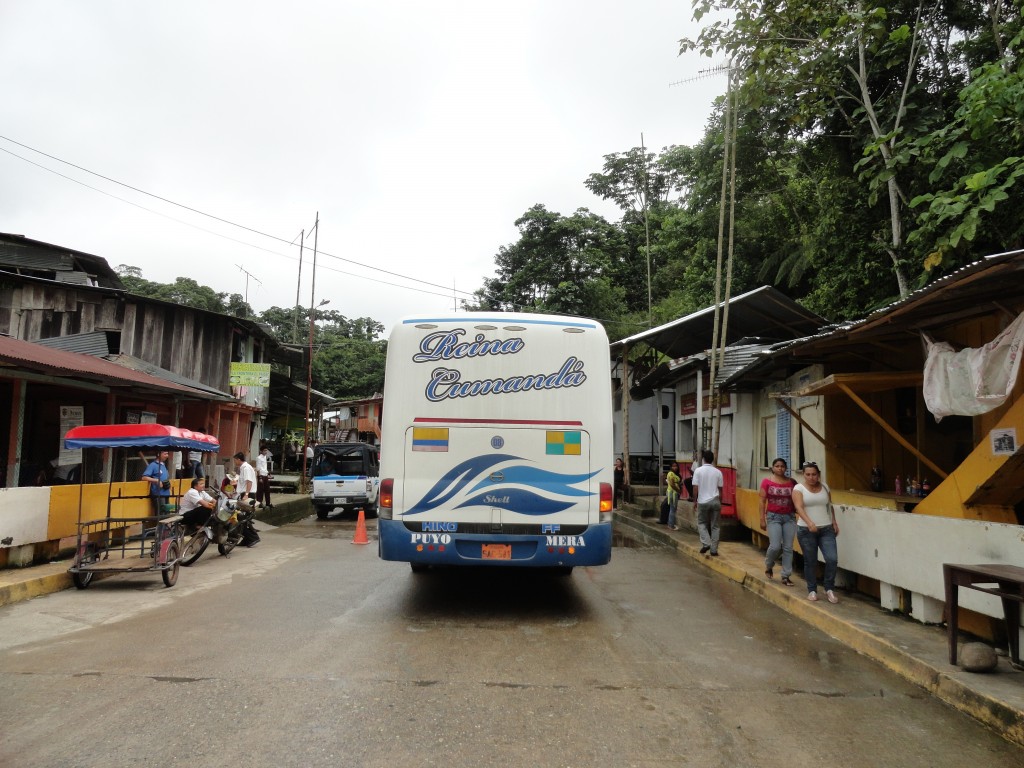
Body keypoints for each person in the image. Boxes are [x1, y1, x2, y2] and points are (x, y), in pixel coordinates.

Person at [793, 460, 840, 604]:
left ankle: (829, 588)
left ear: (818, 474)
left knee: (832, 559)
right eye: (808, 474)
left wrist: (834, 521)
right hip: (806, 530)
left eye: (814, 474)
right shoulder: (798, 488)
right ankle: (812, 590)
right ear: (803, 475)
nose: (811, 477)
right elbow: (799, 508)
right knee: (810, 561)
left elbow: (829, 506)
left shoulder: (825, 487)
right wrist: (810, 523)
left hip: (826, 529)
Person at [759, 457, 797, 586]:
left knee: (788, 548)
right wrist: (762, 519)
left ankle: (786, 576)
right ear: (773, 468)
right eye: (777, 466)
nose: (780, 468)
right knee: (775, 546)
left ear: (786, 468)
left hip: (789, 517)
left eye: (782, 466)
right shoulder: (766, 482)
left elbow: (798, 498)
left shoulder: (792, 482)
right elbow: (762, 501)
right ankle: (769, 564)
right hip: (773, 517)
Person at [692, 449, 724, 556]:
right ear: (712, 460)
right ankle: (714, 550)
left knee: (701, 523)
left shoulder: (698, 471)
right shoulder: (718, 472)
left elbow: (695, 487)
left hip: (702, 501)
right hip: (715, 500)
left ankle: (706, 543)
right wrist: (720, 502)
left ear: (703, 459)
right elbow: (721, 490)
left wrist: (695, 501)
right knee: (715, 526)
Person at [142, 449, 172, 516]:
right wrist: (156, 480)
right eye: (165, 454)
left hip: (166, 493)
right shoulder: (153, 465)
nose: (167, 456)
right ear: (158, 454)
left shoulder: (163, 465)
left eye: (167, 454)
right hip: (158, 494)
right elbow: (144, 477)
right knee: (161, 514)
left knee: (167, 514)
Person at [665, 461, 682, 530]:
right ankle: (671, 525)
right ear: (671, 467)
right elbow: (672, 484)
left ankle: (670, 523)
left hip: (673, 493)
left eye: (676, 466)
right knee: (673, 509)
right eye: (673, 466)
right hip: (673, 493)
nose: (675, 467)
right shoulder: (671, 473)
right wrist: (678, 490)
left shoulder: (675, 474)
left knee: (672, 509)